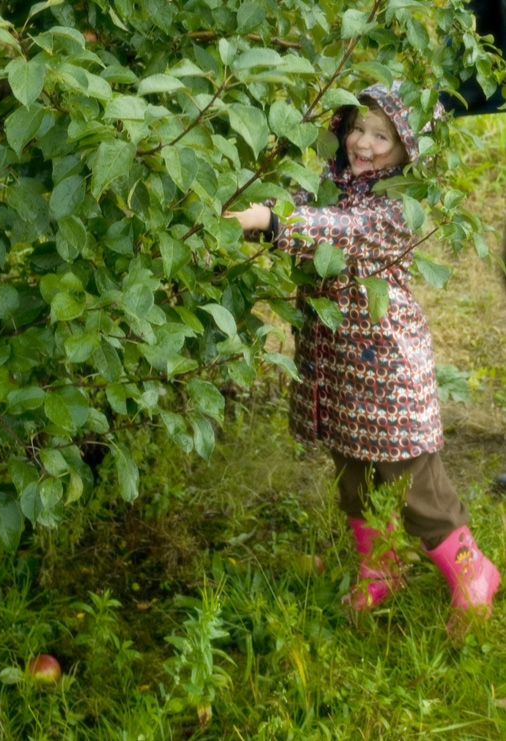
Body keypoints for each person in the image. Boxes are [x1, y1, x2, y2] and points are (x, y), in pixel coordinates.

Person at [226, 82, 500, 629]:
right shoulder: (333, 181)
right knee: (351, 471)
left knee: (410, 478)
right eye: (358, 128)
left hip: (385, 360)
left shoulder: (400, 205)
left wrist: (272, 224)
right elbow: (304, 206)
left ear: (408, 150)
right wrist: (263, 210)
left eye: (383, 136)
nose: (365, 144)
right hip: (334, 360)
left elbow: (343, 234)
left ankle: (472, 569)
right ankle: (381, 565)